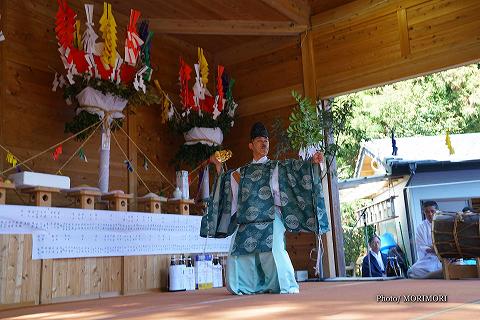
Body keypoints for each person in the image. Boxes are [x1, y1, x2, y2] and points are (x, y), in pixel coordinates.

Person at [202, 122, 329, 295]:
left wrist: (311, 163)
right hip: (247, 220)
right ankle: (248, 287)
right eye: (260, 140)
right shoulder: (240, 172)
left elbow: (296, 170)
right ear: (250, 145)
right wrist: (217, 165)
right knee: (238, 254)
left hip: (271, 216)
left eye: (266, 140)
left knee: (273, 252)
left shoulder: (276, 167)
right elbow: (225, 186)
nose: (264, 143)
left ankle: (282, 285)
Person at [407, 200, 443, 279]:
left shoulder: (445, 224)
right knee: (412, 271)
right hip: (430, 259)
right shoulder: (421, 227)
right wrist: (433, 249)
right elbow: (421, 246)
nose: (430, 214)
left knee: (458, 266)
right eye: (427, 212)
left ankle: (433, 275)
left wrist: (440, 249)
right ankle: (439, 274)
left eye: (432, 211)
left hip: (445, 258)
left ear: (437, 211)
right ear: (424, 213)